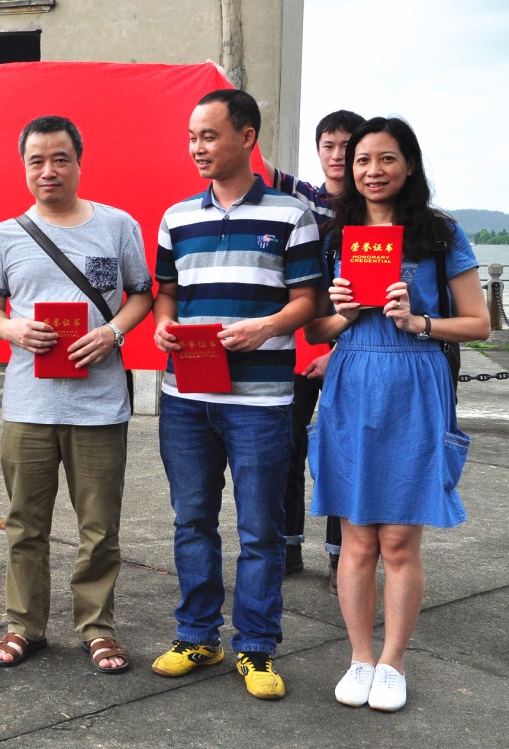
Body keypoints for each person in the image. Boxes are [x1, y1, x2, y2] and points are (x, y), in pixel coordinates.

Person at [304, 117, 489, 712]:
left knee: (401, 540)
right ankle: (360, 656)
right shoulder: (335, 236)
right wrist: (344, 313)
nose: (372, 171)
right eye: (362, 160)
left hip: (416, 382)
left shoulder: (439, 233)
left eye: (386, 158)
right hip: (353, 380)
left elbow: (480, 323)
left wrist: (419, 321)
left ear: (409, 165)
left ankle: (393, 662)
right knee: (357, 538)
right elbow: (315, 330)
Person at [151, 89, 322, 700]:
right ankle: (198, 635)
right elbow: (167, 292)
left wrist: (266, 327)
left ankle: (256, 646)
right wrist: (162, 326)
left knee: (260, 530)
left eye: (209, 135)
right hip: (186, 394)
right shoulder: (177, 217)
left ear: (246, 136)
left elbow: (308, 301)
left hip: (262, 400)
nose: (197, 147)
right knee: (192, 520)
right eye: (191, 137)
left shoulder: (292, 215)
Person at [0, 116, 153, 670]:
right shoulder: (4, 235)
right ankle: (23, 626)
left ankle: (97, 628)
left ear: (79, 162)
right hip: (28, 404)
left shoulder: (117, 225)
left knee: (99, 527)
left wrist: (112, 333)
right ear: (24, 166)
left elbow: (142, 295)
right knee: (24, 524)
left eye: (60, 159)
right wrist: (12, 329)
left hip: (99, 405)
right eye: (37, 161)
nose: (48, 170)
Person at [267, 110, 365, 590]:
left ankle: (340, 556)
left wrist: (341, 351)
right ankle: (286, 547)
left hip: (352, 345)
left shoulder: (374, 211)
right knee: (286, 446)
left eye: (349, 145)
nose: (338, 154)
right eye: (329, 145)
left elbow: (374, 299)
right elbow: (254, 162)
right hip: (301, 341)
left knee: (341, 452)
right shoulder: (302, 197)